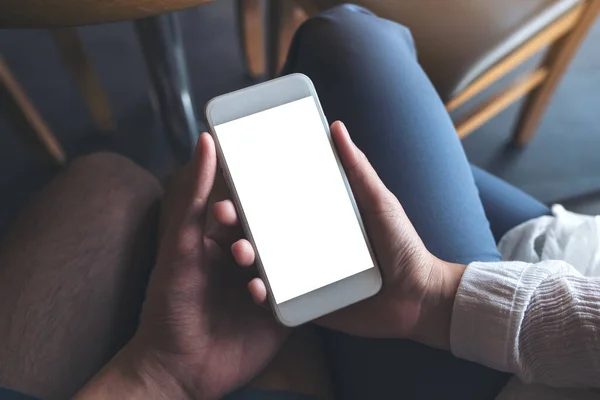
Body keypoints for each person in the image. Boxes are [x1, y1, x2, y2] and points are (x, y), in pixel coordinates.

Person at [0, 4, 598, 400]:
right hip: (567, 282)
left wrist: (160, 376)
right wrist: (436, 297)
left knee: (113, 182)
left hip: (516, 379)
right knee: (344, 59)